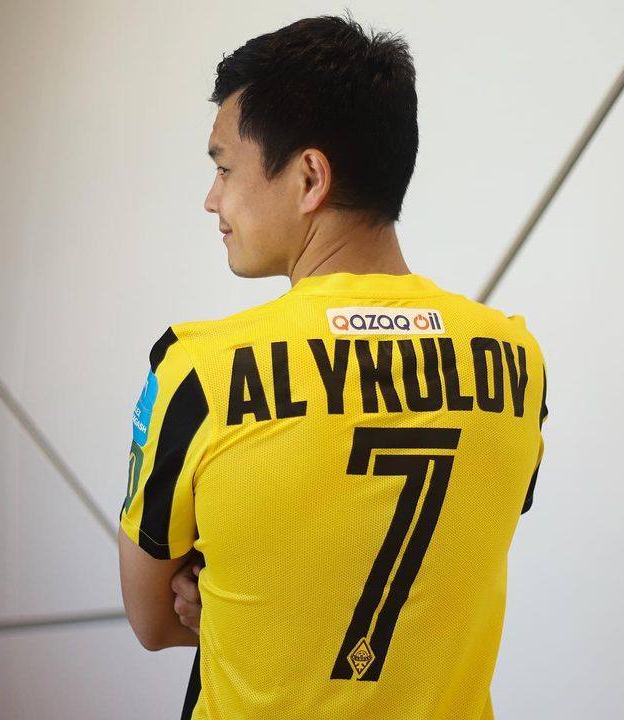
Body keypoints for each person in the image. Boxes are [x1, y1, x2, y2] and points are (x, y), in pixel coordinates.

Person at [117, 13, 548, 720]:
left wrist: (226, 597)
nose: (212, 198)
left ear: (310, 176)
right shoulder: (517, 360)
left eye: (224, 168)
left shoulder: (199, 373)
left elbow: (153, 619)